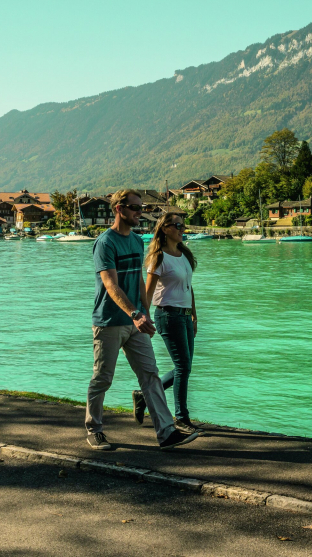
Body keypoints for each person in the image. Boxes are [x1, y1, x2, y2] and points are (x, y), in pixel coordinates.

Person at [85, 189, 199, 451]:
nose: (140, 212)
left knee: (150, 375)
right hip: (109, 321)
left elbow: (138, 281)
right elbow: (111, 285)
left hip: (136, 321)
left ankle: (167, 433)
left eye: (141, 207)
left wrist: (144, 312)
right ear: (119, 209)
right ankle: (95, 430)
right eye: (135, 208)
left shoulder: (136, 241)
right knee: (103, 378)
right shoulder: (105, 243)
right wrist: (135, 314)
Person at [135, 211, 199, 433]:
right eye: (178, 225)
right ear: (165, 229)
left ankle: (144, 397)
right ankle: (181, 418)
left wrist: (194, 315)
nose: (182, 229)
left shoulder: (184, 254)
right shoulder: (158, 257)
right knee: (183, 367)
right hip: (167, 315)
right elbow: (147, 292)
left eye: (183, 226)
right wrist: (144, 317)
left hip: (184, 315)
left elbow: (189, 288)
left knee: (185, 367)